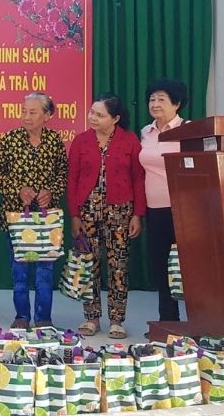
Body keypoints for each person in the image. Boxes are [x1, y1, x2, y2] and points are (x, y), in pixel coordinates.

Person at [68, 93, 146, 339]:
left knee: (118, 267)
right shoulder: (81, 141)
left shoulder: (130, 140)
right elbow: (72, 179)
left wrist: (138, 214)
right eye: (92, 112)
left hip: (120, 212)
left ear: (115, 119)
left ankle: (116, 320)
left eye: (99, 115)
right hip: (87, 212)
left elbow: (138, 178)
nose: (92, 117)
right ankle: (91, 318)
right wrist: (74, 215)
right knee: (88, 265)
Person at [0, 92, 69, 329]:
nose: (26, 116)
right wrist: (18, 189)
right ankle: (21, 315)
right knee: (20, 269)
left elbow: (63, 173)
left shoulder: (54, 141)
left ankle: (44, 318)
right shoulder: (10, 139)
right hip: (17, 216)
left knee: (45, 270)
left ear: (47, 115)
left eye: (33, 112)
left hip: (46, 217)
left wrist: (51, 191)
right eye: (24, 111)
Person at [139, 79, 188, 325]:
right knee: (160, 264)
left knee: (186, 266)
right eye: (152, 99)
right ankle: (168, 321)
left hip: (183, 208)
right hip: (155, 208)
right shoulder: (145, 133)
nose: (155, 104)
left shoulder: (189, 130)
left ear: (176, 104)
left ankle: (199, 321)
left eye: (161, 99)